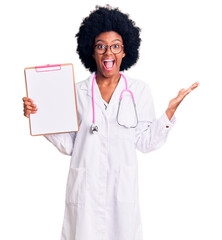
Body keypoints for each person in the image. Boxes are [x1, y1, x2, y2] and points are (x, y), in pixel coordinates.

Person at [22, 5, 199, 240]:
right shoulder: (76, 92)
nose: (108, 53)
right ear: (91, 51)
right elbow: (69, 146)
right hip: (85, 194)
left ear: (125, 51)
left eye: (115, 46)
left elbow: (146, 143)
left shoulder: (138, 91)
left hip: (121, 193)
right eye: (101, 46)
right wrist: (39, 116)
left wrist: (169, 113)